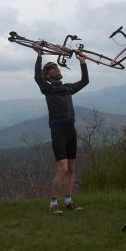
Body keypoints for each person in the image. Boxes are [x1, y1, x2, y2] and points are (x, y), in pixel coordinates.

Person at [34, 46, 89, 214]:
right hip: (58, 130)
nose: (57, 69)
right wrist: (39, 56)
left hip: (70, 129)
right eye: (53, 69)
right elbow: (37, 77)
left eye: (56, 67)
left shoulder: (67, 87)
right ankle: (53, 204)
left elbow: (85, 81)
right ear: (48, 76)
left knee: (71, 168)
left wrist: (83, 63)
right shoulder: (48, 89)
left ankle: (68, 200)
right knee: (63, 168)